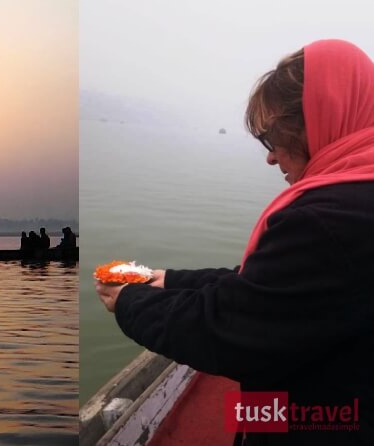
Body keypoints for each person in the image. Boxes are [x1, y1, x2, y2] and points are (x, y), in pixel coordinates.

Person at [96, 40, 374, 445]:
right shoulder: (359, 197)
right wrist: (166, 279)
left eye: (274, 139)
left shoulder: (327, 219)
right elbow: (271, 287)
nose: (271, 158)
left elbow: (228, 332)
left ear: (318, 122)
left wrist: (127, 301)